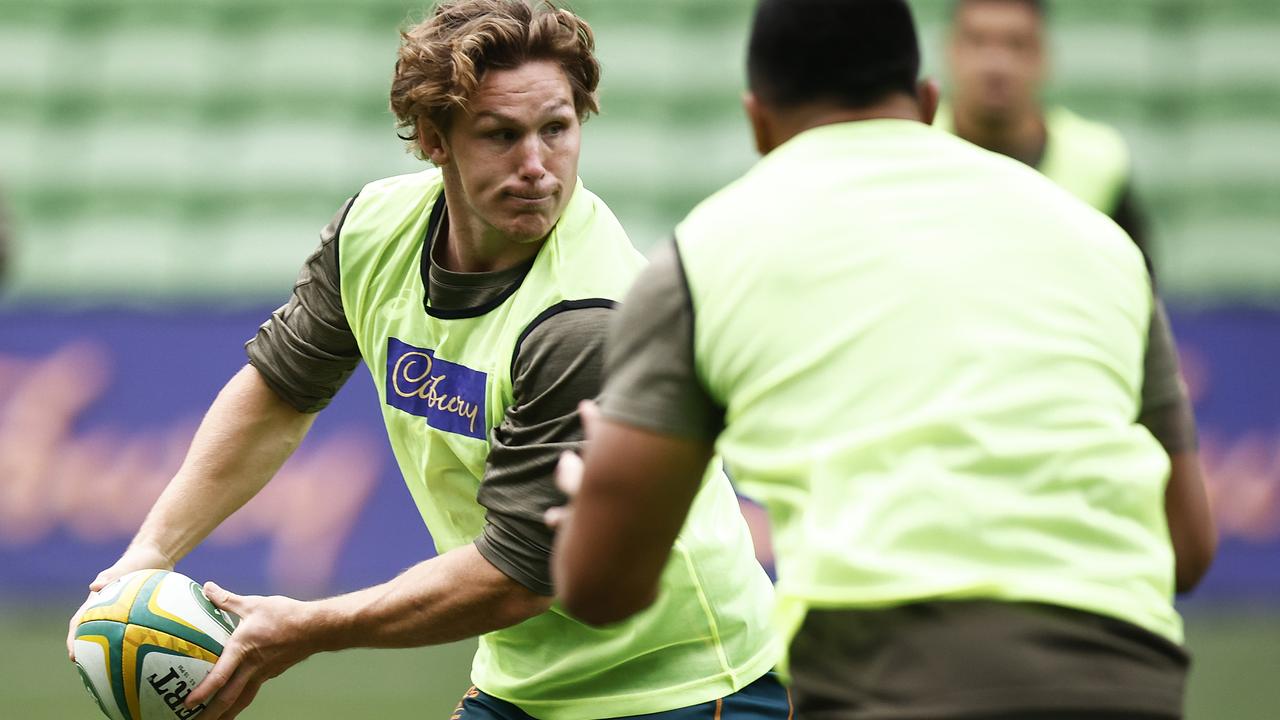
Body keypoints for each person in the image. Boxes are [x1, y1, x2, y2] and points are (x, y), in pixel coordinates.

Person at [67, 2, 786, 719]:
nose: (537, 167)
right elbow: (280, 392)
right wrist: (148, 555)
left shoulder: (584, 321)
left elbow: (518, 576)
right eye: (502, 135)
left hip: (687, 686)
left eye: (556, 130)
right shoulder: (376, 230)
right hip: (525, 683)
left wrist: (307, 629)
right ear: (435, 139)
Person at [551, 1, 1216, 718]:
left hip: (884, 679)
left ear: (756, 120)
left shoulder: (699, 256)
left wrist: (587, 500)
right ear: (930, 102)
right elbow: (1187, 546)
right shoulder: (1103, 242)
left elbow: (601, 589)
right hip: (1127, 681)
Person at [939, 0, 1155, 268]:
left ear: (1044, 57)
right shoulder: (913, 148)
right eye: (977, 41)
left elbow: (1138, 280)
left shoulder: (1097, 162)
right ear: (950, 51)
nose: (995, 65)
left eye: (1016, 44)